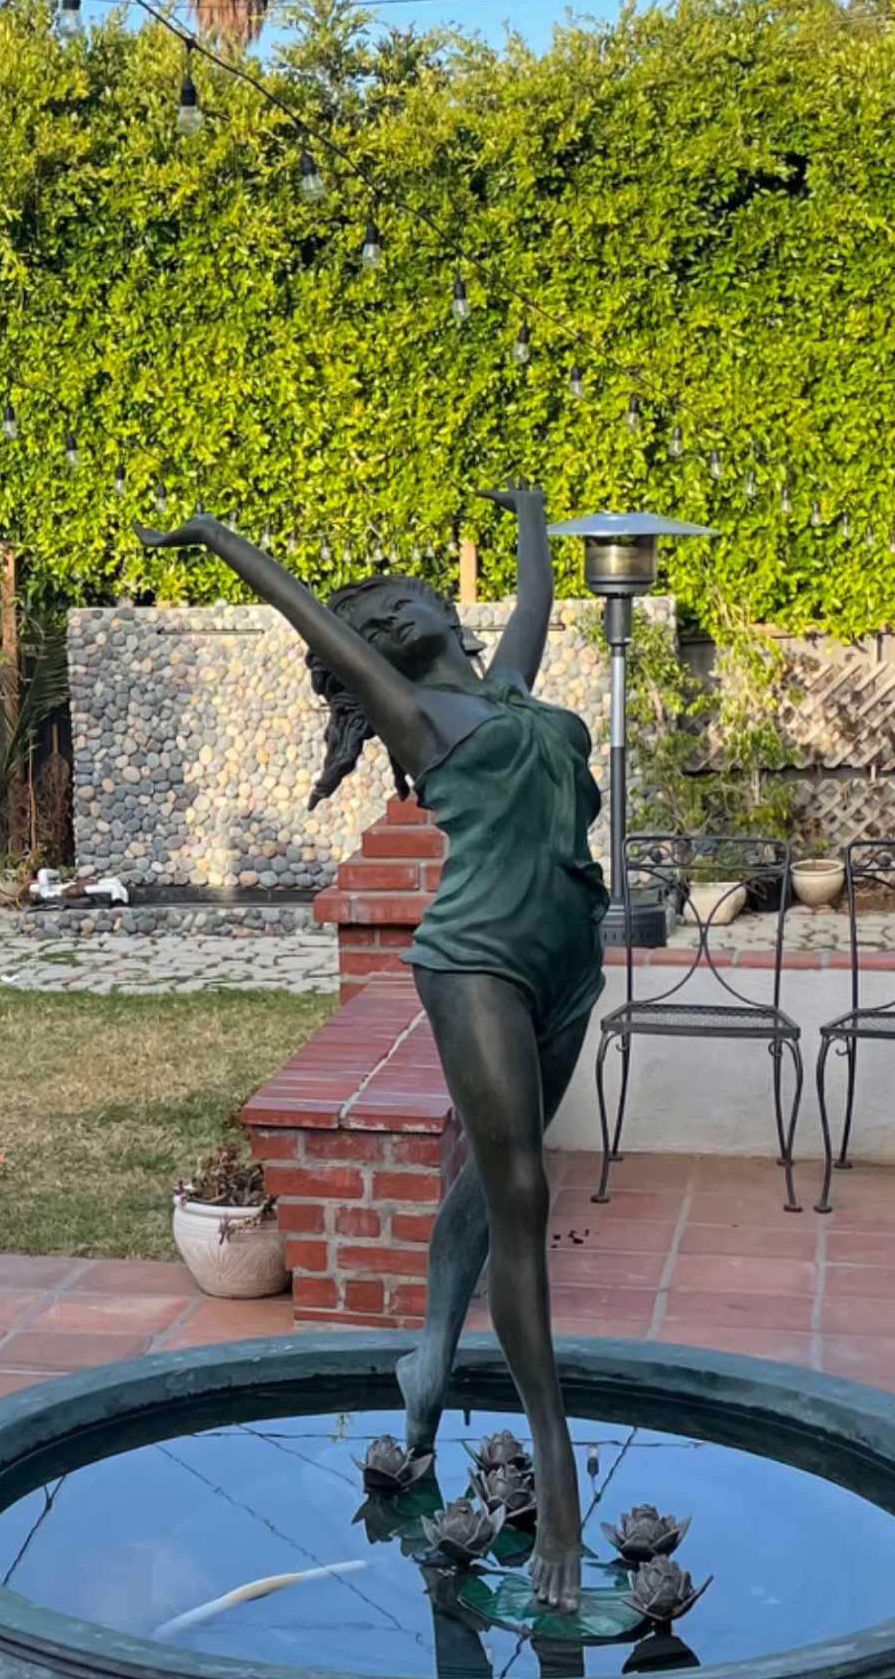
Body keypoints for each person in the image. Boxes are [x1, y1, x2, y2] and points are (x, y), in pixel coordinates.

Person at [142, 488, 607, 1610]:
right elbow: (310, 615)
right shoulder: (421, 717)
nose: (423, 594)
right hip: (478, 965)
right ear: (394, 638)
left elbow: (536, 598)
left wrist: (533, 519)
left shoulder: (504, 695)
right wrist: (216, 534)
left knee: (492, 1193)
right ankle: (558, 1474)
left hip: (566, 963)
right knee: (525, 1196)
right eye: (403, 600)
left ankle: (429, 1362)